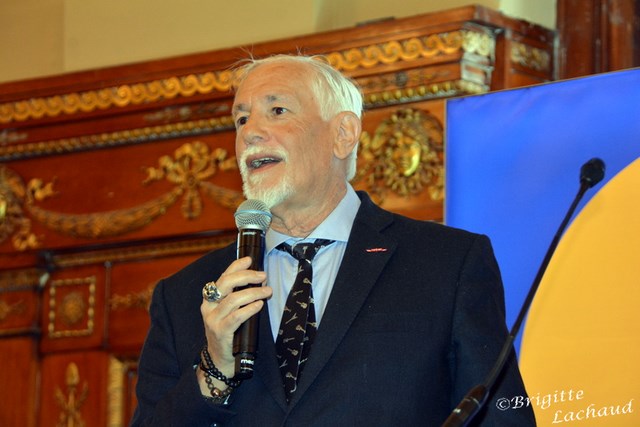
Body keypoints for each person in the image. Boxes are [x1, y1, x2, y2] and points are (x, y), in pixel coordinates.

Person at [131, 54, 536, 426]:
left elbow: (503, 418)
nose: (250, 132)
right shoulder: (186, 295)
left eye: (277, 110)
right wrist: (214, 369)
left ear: (343, 133)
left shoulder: (446, 264)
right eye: (241, 120)